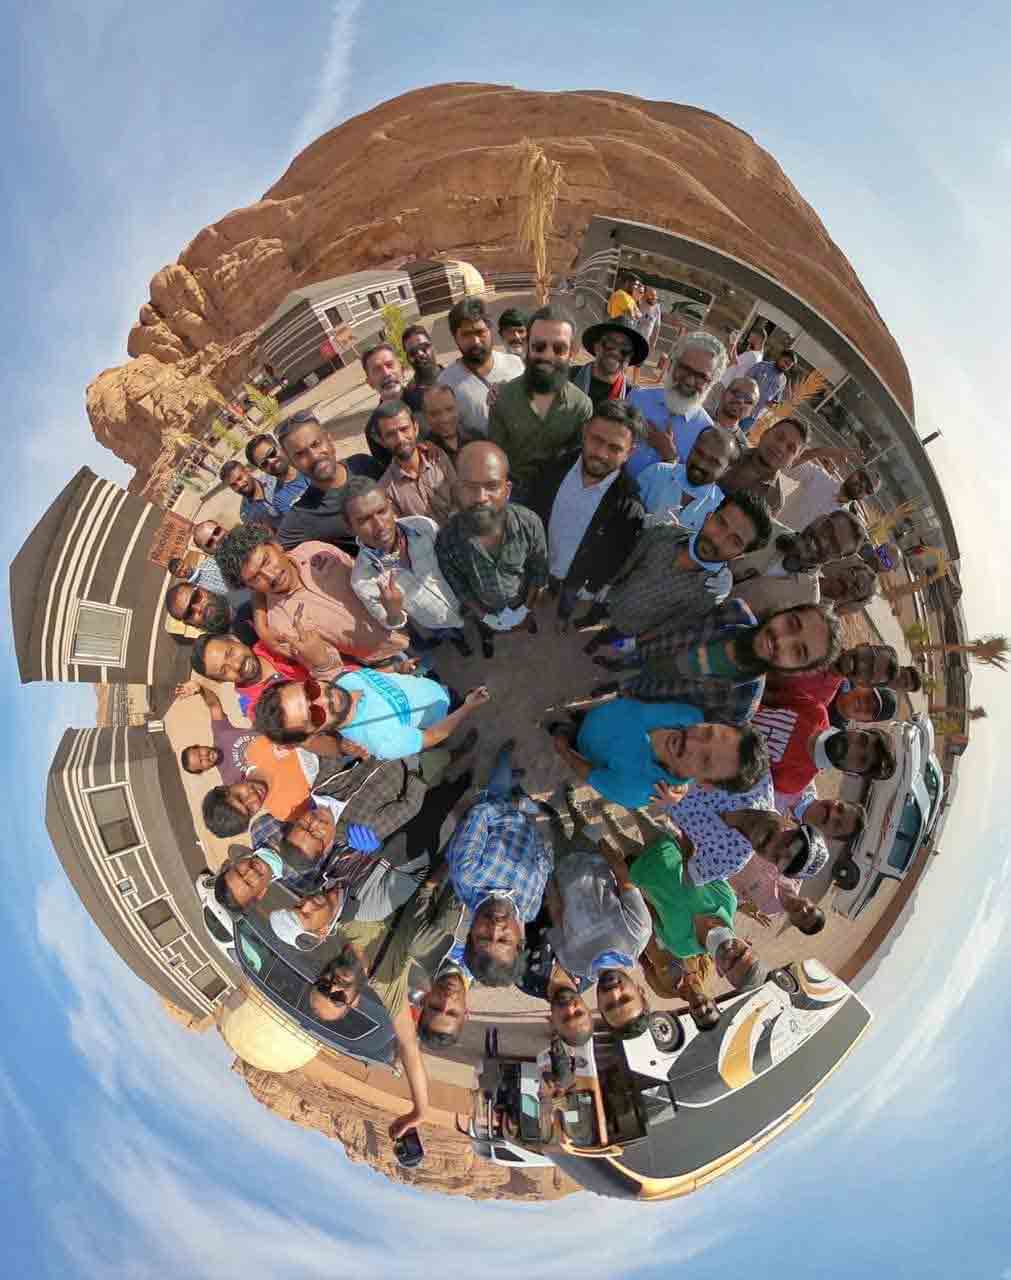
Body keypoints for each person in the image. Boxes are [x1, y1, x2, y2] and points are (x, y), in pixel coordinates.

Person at [310, 874, 466, 1143]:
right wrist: (420, 1109)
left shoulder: (340, 925)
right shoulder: (386, 982)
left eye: (323, 987)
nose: (333, 986)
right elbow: (409, 1047)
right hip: (440, 885)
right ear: (354, 1002)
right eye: (337, 998)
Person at [594, 599, 844, 722]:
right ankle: (613, 670)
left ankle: (611, 689)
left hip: (642, 701)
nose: (782, 640)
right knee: (621, 665)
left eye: (798, 652)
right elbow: (679, 622)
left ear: (796, 669)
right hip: (649, 651)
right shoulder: (734, 611)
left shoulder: (742, 704)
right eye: (791, 623)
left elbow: (681, 724)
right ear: (783, 612)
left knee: (613, 693)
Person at [584, 491, 772, 650]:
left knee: (605, 638)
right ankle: (586, 620)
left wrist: (637, 642)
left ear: (739, 555)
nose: (717, 540)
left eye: (735, 541)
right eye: (721, 523)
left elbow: (674, 624)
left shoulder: (710, 592)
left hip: (630, 627)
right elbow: (631, 560)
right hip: (612, 599)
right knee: (593, 615)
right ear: (709, 516)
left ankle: (596, 642)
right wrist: (607, 584)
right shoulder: (664, 533)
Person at [215, 524, 409, 676]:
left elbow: (367, 574)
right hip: (395, 660)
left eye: (266, 561)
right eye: (255, 578)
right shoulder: (280, 626)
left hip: (414, 614)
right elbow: (333, 666)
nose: (270, 575)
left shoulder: (314, 550)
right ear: (250, 587)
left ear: (275, 545)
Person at [524, 402, 646, 630]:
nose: (600, 454)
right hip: (540, 561)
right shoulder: (552, 467)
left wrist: (593, 586)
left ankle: (562, 618)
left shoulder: (630, 509)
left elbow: (615, 557)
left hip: (577, 577)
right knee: (536, 590)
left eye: (614, 448)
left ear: (630, 453)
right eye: (597, 440)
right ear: (584, 431)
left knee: (568, 600)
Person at [441, 741, 554, 986]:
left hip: (499, 803)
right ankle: (514, 781)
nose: (495, 927)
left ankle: (503, 759)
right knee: (515, 785)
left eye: (483, 937)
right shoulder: (530, 909)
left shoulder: (468, 873)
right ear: (520, 941)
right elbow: (543, 867)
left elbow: (480, 813)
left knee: (500, 777)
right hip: (528, 823)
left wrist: (516, 806)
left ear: (470, 933)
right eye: (504, 940)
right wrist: (536, 835)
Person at [435, 442, 549, 659]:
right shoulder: (447, 540)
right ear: (457, 490)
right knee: (486, 631)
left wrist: (526, 609)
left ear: (507, 490)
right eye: (470, 486)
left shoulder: (529, 523)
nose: (480, 497)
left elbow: (539, 573)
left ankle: (527, 623)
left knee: (525, 622)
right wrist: (484, 616)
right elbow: (460, 587)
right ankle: (488, 638)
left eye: (492, 485)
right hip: (484, 608)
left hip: (521, 599)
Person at [550, 700, 769, 810]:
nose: (691, 740)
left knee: (561, 731)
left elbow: (591, 774)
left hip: (583, 744)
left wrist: (565, 752)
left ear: (705, 783)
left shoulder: (637, 790)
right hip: (598, 713)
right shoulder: (690, 713)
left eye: (705, 760)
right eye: (709, 732)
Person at [537, 784, 652, 985]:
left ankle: (554, 817)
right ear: (638, 990)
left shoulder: (573, 963)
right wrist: (599, 840)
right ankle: (572, 804)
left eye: (611, 1001)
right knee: (580, 821)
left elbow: (556, 913)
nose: (614, 991)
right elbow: (623, 877)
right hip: (592, 855)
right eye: (624, 998)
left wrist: (548, 877)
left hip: (562, 870)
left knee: (557, 834)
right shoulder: (639, 933)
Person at [344, 478, 471, 655]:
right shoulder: (362, 580)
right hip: (434, 622)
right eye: (364, 520)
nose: (379, 525)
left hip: (464, 600)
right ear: (350, 528)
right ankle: (461, 642)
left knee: (480, 623)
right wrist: (393, 612)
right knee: (451, 634)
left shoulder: (423, 526)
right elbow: (392, 622)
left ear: (391, 506)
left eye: (381, 511)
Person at [627, 834, 768, 990]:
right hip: (664, 845)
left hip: (638, 870)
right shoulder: (729, 902)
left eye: (731, 964)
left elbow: (652, 916)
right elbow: (702, 863)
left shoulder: (681, 948)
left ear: (720, 971)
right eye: (741, 953)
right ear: (748, 943)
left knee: (611, 825)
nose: (731, 953)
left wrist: (632, 884)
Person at [254, 671, 491, 761]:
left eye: (310, 689)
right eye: (314, 715)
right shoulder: (380, 742)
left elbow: (382, 677)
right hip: (446, 712)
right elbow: (432, 736)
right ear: (314, 733)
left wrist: (401, 670)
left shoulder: (345, 679)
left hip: (435, 687)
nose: (325, 699)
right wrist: (467, 707)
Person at [487, 307, 593, 495]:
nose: (548, 356)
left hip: (558, 494)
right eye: (539, 346)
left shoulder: (581, 406)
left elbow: (578, 462)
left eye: (559, 348)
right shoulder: (503, 398)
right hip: (512, 493)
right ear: (527, 346)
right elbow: (495, 457)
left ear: (572, 352)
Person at [752, 688, 896, 806]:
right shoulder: (816, 711)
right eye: (862, 740)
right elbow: (766, 695)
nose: (852, 749)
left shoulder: (795, 781)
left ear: (853, 774)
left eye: (861, 760)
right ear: (858, 729)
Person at [275, 410, 382, 551]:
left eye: (316, 444)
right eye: (300, 454)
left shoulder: (362, 464)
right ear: (292, 463)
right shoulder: (303, 515)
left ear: (330, 440)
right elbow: (274, 552)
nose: (314, 456)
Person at [624, 331, 726, 479]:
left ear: (712, 383)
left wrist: (670, 456)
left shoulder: (706, 433)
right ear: (671, 364)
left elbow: (690, 487)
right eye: (685, 369)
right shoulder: (638, 397)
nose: (689, 381)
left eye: (701, 377)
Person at [730, 508, 868, 617]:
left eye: (834, 545)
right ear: (820, 518)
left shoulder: (807, 602)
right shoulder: (763, 527)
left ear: (837, 558)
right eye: (827, 528)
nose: (822, 541)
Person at [437, 297, 525, 436]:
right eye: (466, 334)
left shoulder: (515, 364)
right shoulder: (446, 382)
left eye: (480, 332)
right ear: (455, 338)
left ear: (490, 330)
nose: (476, 341)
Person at [635, 426, 741, 529]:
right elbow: (627, 515)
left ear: (726, 470)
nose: (701, 464)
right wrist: (649, 522)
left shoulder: (720, 508)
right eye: (699, 453)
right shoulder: (657, 473)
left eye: (713, 462)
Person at [190, 631, 309, 720]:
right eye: (224, 671)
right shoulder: (258, 710)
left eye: (230, 653)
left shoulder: (273, 640)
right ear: (220, 681)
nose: (236, 665)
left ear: (234, 639)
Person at [373, 400, 456, 526]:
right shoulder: (386, 491)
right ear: (381, 441)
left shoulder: (437, 457)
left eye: (404, 429)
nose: (400, 439)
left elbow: (460, 496)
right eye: (390, 434)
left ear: (416, 428)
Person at [719, 416, 810, 515]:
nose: (780, 448)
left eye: (791, 448)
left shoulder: (773, 500)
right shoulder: (728, 451)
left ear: (793, 461)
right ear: (764, 433)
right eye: (779, 437)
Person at [175, 682, 257, 783]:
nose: (204, 757)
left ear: (199, 746)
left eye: (200, 753)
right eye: (201, 762)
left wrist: (200, 689)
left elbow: (214, 705)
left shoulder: (221, 733)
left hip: (273, 732)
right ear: (204, 770)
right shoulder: (229, 779)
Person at [779, 456, 879, 532]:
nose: (862, 485)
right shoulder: (819, 477)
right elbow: (787, 466)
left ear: (866, 496)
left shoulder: (844, 523)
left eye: (868, 489)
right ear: (854, 472)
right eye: (862, 477)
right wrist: (819, 452)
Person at [568, 319, 649, 408]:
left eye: (625, 348)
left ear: (630, 358)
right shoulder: (567, 378)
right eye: (610, 343)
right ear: (596, 347)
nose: (616, 352)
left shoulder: (631, 398)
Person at [361, 342, 410, 470]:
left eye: (390, 365)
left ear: (402, 368)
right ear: (370, 382)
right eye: (377, 370)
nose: (386, 373)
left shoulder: (426, 399)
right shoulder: (373, 430)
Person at [165, 581, 257, 646]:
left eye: (196, 597)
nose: (199, 608)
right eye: (189, 613)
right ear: (189, 623)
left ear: (202, 588)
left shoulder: (249, 595)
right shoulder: (222, 653)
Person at [245, 433, 311, 509]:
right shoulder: (280, 500)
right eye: (264, 463)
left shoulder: (310, 463)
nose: (271, 461)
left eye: (271, 453)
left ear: (279, 446)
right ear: (262, 469)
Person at [168, 553, 251, 612]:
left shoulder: (208, 562)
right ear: (178, 576)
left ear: (185, 562)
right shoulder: (195, 591)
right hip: (239, 603)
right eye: (180, 572)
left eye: (183, 566)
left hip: (246, 583)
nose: (184, 570)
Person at [739, 349, 796, 434]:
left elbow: (776, 399)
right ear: (780, 357)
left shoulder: (783, 380)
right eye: (785, 362)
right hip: (741, 406)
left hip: (753, 416)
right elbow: (745, 380)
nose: (785, 366)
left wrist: (773, 403)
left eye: (788, 366)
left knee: (737, 438)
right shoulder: (762, 366)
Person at [418, 384, 480, 463]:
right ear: (425, 416)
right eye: (435, 414)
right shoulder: (424, 453)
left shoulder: (477, 438)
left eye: (449, 409)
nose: (445, 419)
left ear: (457, 407)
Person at [220, 460, 286, 530]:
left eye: (240, 478)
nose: (239, 485)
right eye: (233, 485)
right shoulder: (246, 513)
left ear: (248, 471)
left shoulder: (275, 479)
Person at [400, 324, 443, 414]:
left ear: (433, 347)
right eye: (413, 352)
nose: (420, 353)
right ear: (408, 358)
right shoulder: (408, 397)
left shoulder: (455, 376)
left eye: (423, 347)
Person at [710, 376, 760, 449]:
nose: (740, 400)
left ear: (752, 411)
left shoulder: (742, 448)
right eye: (736, 393)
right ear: (724, 393)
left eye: (748, 399)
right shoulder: (697, 414)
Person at [828, 684, 899, 728]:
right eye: (867, 698)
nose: (863, 705)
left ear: (865, 721)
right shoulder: (834, 674)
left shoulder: (832, 734)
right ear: (863, 686)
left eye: (868, 710)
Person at [632, 286, 662, 385]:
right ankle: (620, 378)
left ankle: (635, 382)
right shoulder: (639, 303)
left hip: (645, 339)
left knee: (640, 362)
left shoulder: (657, 308)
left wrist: (654, 342)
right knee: (628, 358)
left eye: (655, 296)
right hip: (633, 337)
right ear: (645, 295)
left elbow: (657, 327)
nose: (654, 297)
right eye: (651, 295)